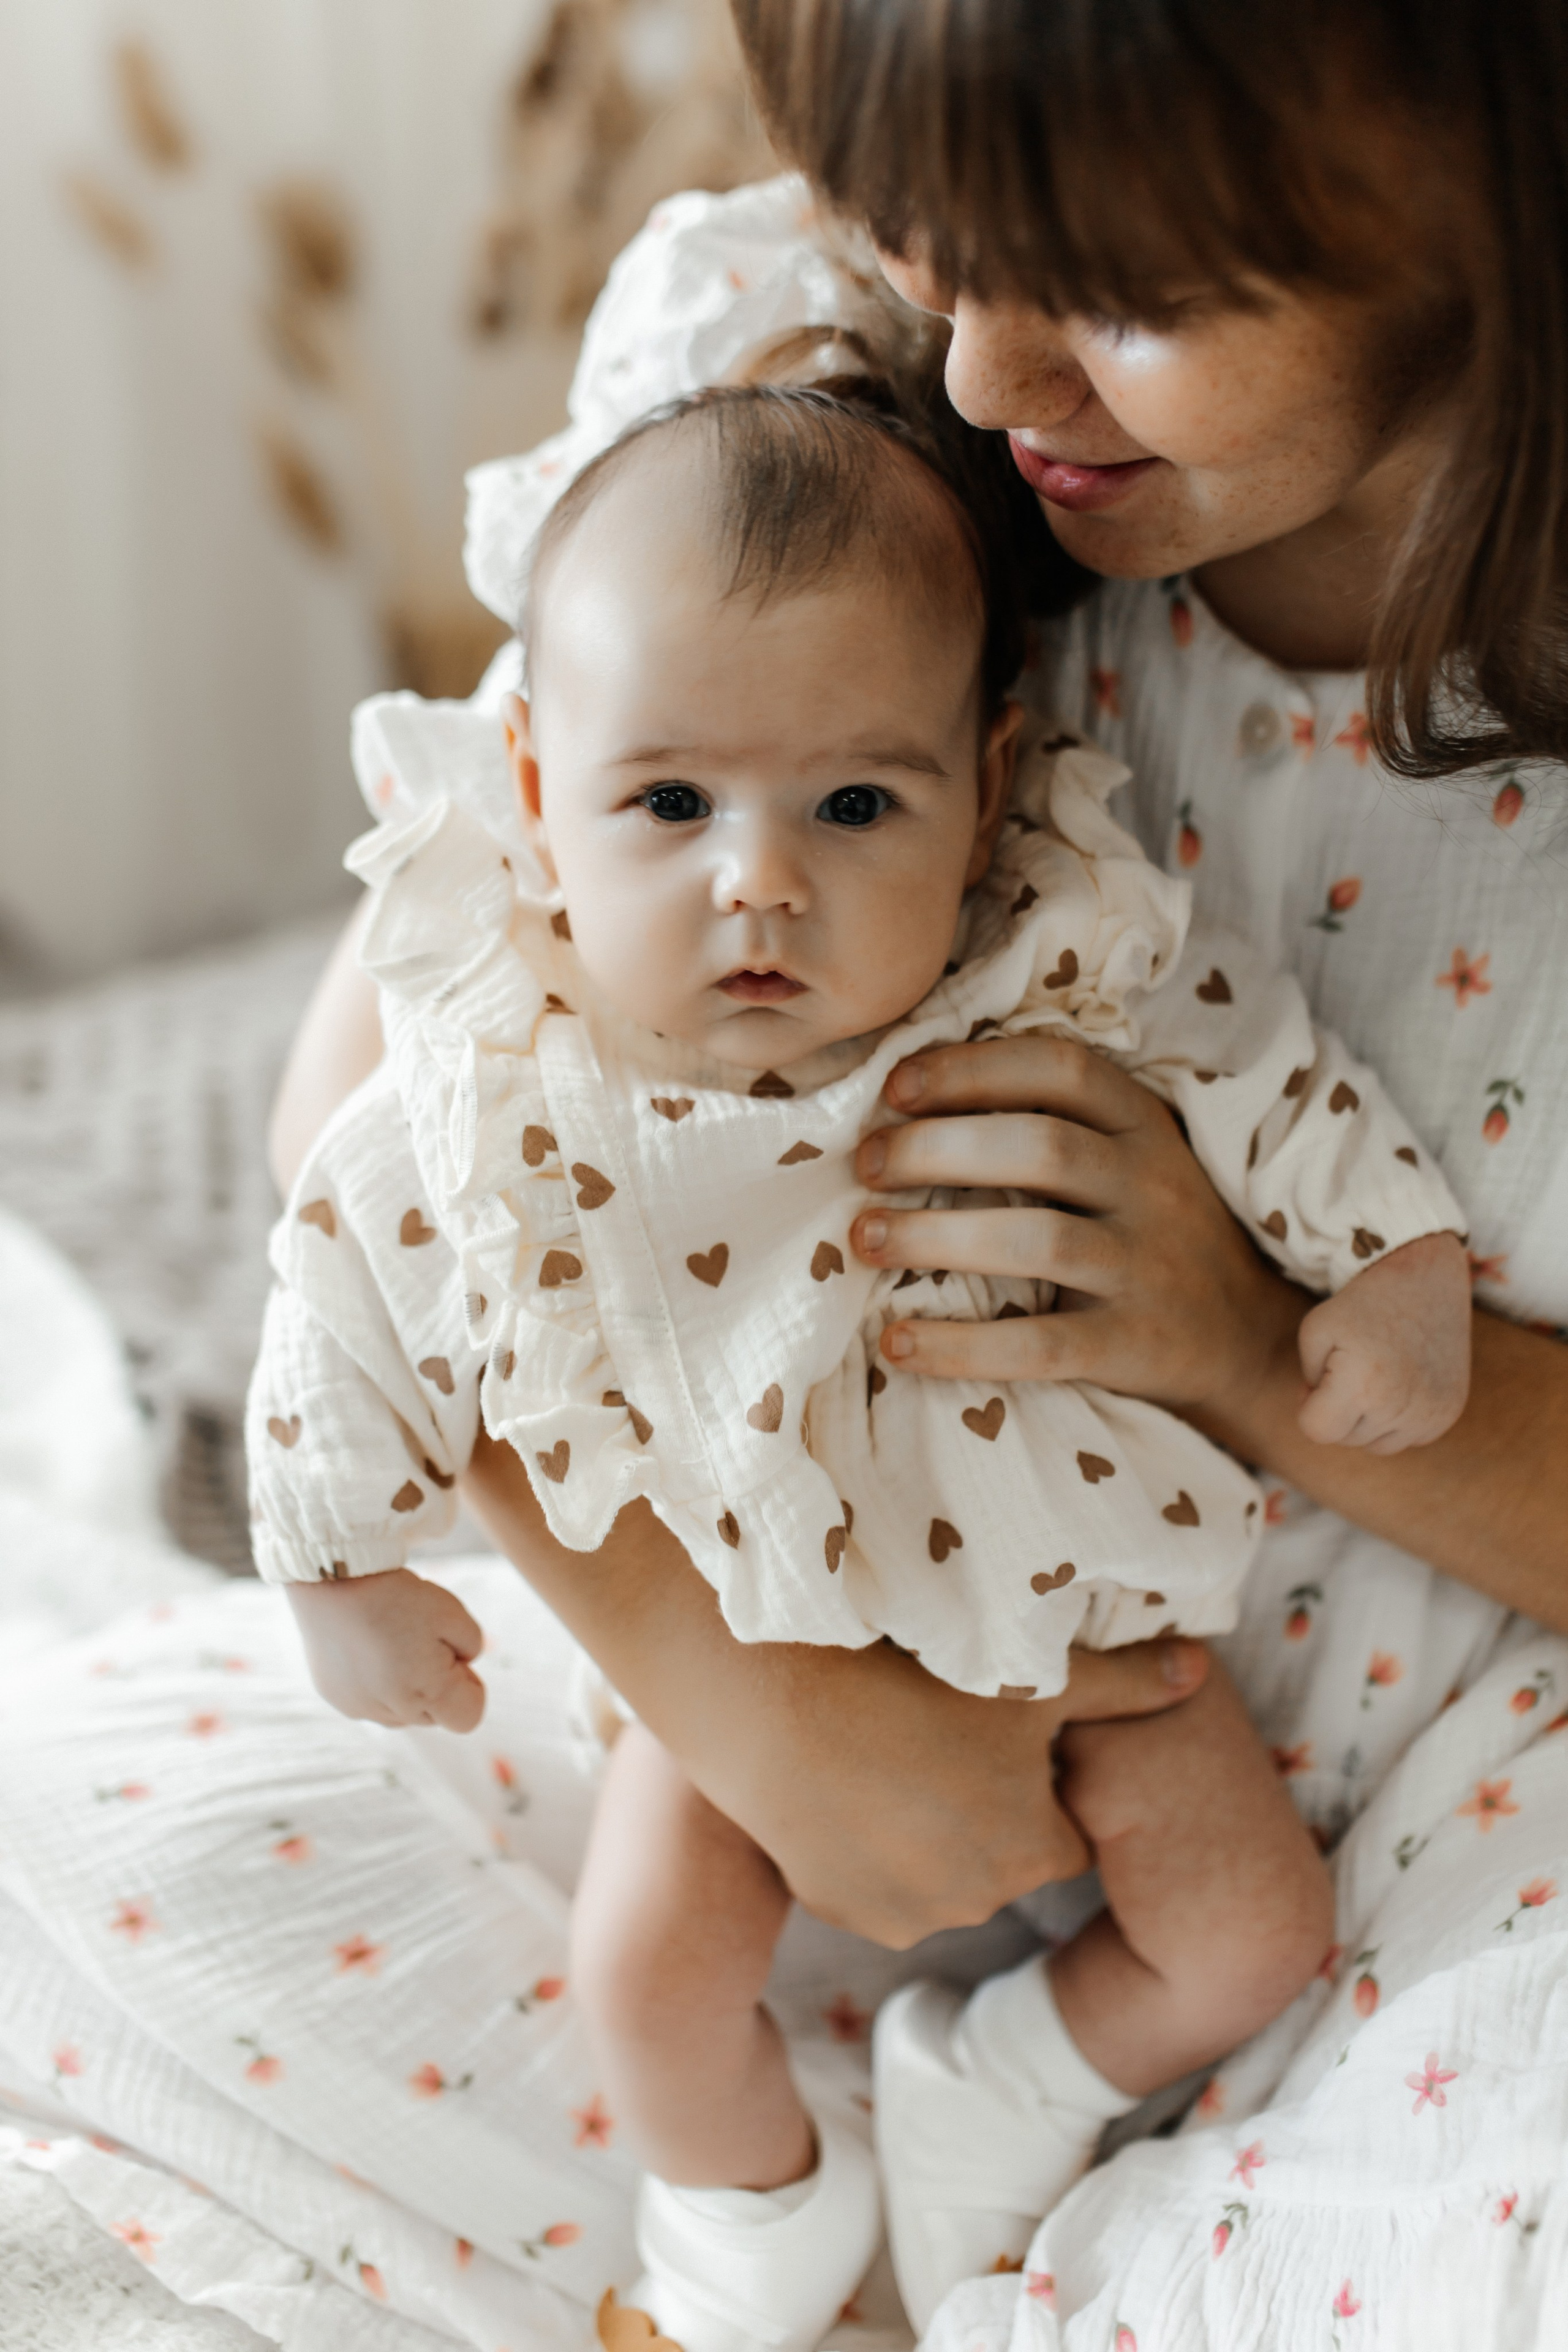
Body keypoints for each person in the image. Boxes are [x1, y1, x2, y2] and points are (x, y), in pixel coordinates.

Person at [3, 2, 1566, 2346]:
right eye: (927, 228)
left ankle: (1020, 2147)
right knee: (91, 1865)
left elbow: (1280, 1116)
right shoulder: (787, 384)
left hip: (1422, 1831)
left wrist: (1247, 1343)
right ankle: (788, 2232)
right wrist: (738, 1695)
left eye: (1131, 287)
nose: (987, 373)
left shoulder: (1154, 908)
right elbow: (390, 1127)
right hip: (743, 1656)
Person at [246, 374, 1469, 2343]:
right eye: (670, 805)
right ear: (538, 780)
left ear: (986, 785)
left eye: (855, 806)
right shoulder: (512, 1069)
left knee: (1255, 1931)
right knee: (648, 1979)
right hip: (752, 1629)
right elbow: (340, 1274)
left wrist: (1395, 1266)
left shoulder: (1055, 952)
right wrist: (335, 1562)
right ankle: (751, 2236)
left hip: (1080, 1598)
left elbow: (1267, 1070)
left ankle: (1007, 2077)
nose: (761, 879)